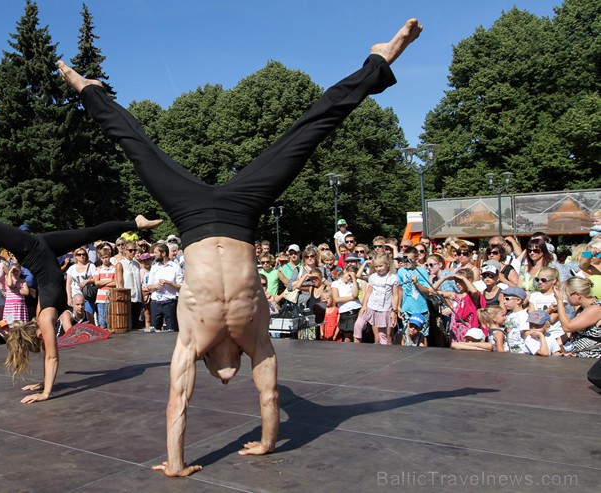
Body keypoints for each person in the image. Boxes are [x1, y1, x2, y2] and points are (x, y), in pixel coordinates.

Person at [60, 18, 422, 476]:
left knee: (136, 146)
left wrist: (175, 464)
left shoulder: (192, 341)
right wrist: (268, 442)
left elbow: (178, 401)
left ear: (212, 365)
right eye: (230, 376)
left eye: (220, 376)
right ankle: (379, 61)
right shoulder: (256, 339)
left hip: (191, 215)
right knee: (308, 131)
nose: (227, 378)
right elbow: (270, 396)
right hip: (241, 211)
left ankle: (87, 89)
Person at [0, 182, 161, 403]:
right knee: (88, 232)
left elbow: (53, 356)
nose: (46, 341)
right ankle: (134, 223)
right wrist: (43, 384)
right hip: (44, 248)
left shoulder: (44, 317)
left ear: (36, 334)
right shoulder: (43, 314)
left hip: (31, 249)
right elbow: (50, 354)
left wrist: (46, 390)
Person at [354, 253, 400, 344]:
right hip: (371, 306)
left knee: (383, 334)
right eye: (376, 267)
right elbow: (369, 291)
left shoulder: (393, 278)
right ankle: (356, 345)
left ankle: (383, 353)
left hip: (384, 309)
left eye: (380, 266)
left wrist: (394, 311)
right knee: (358, 325)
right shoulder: (373, 277)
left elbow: (395, 295)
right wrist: (364, 305)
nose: (378, 269)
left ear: (387, 265)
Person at [553, 277, 601, 358]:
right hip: (577, 356)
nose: (566, 299)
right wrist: (554, 347)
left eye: (567, 296)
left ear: (578, 295)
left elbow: (567, 327)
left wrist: (559, 301)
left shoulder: (595, 309)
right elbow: (571, 332)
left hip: (592, 359)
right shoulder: (582, 309)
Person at [146, 243, 183, 332]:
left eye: (156, 253)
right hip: (155, 303)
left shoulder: (175, 267)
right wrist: (155, 286)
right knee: (154, 331)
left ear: (163, 254)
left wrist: (169, 283)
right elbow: (148, 286)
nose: (154, 255)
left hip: (170, 303)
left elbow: (181, 287)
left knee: (172, 330)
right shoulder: (154, 267)